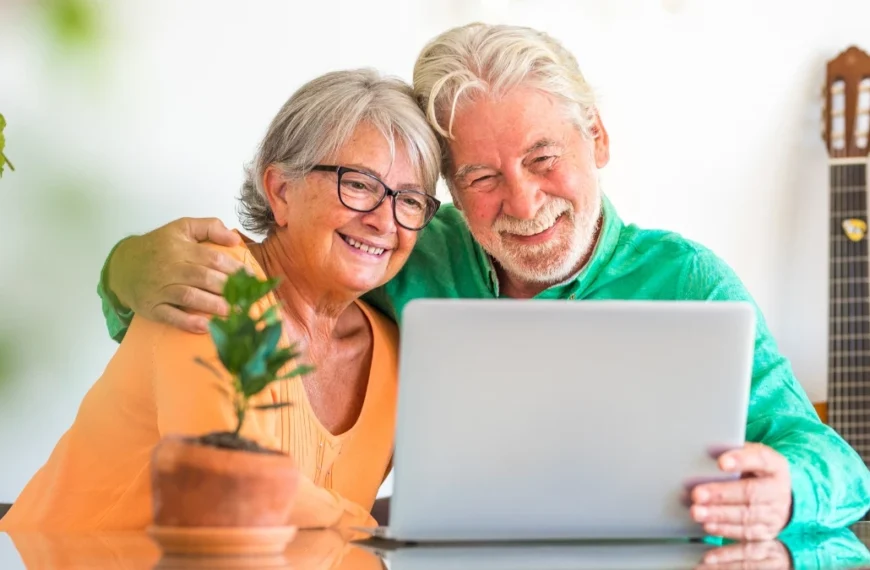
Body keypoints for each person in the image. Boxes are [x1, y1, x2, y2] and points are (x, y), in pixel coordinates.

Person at [95, 23, 869, 541]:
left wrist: (789, 491)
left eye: (542, 159)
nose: (524, 204)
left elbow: (836, 462)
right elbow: (267, 279)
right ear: (449, 191)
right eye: (481, 177)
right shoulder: (404, 248)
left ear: (596, 138)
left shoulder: (689, 280)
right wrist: (125, 267)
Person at [0, 68, 441, 532]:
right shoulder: (208, 280)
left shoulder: (393, 352)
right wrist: (386, 537)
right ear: (280, 191)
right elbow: (229, 493)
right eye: (358, 184)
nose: (383, 220)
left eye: (410, 200)